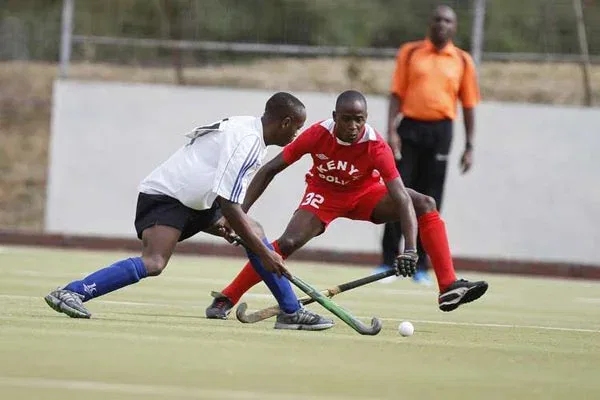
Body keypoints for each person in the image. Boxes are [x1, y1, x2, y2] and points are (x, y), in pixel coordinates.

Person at [43, 92, 335, 331]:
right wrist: (265, 252)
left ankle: (290, 311)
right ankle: (73, 292)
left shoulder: (249, 132)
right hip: (167, 197)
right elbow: (230, 204)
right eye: (296, 127)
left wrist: (243, 234)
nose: (297, 134)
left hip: (197, 201)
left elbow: (227, 202)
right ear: (284, 123)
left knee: (254, 232)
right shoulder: (246, 140)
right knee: (154, 262)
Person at [205, 90, 487, 320]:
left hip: (366, 196)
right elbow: (270, 169)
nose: (353, 127)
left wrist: (410, 250)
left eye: (359, 120)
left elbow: (401, 198)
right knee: (288, 242)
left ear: (366, 119)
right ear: (334, 117)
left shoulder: (376, 146)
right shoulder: (317, 134)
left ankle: (448, 286)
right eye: (347, 119)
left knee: (425, 203)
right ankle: (227, 297)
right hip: (324, 195)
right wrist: (239, 213)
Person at [380, 4, 481, 285]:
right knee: (397, 193)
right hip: (409, 127)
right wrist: (391, 130)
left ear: (454, 27)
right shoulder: (410, 52)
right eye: (437, 19)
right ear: (430, 23)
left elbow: (469, 105)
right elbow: (395, 94)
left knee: (431, 197)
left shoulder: (462, 60)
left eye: (448, 21)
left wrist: (470, 145)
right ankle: (388, 261)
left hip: (441, 131)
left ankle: (420, 266)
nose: (442, 24)